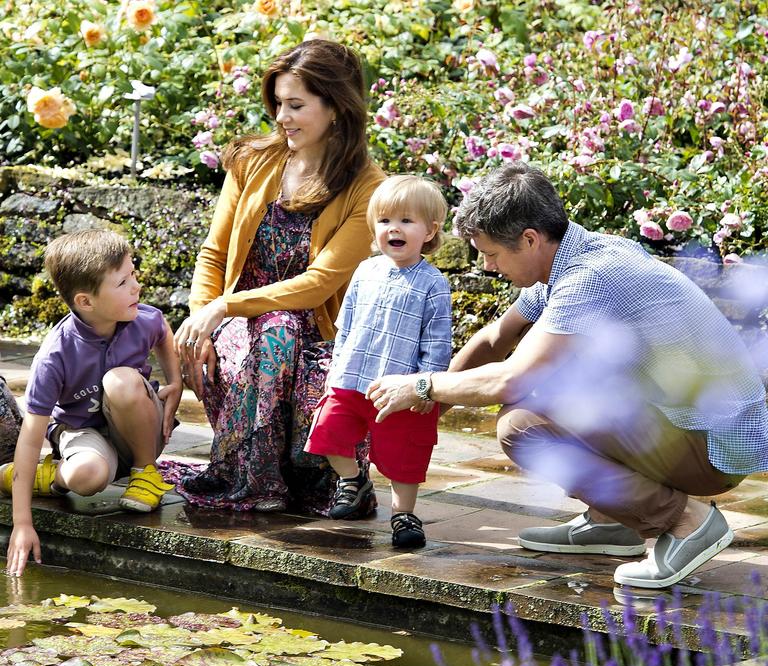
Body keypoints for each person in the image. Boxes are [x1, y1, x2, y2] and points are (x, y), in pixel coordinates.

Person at [366, 162, 768, 589]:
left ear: (529, 239)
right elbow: (495, 337)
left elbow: (508, 380)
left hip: (711, 446)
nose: (486, 266)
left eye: (492, 254)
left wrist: (421, 385)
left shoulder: (588, 279)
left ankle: (686, 521)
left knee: (523, 425)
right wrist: (432, 408)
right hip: (702, 427)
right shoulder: (580, 254)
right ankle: (612, 521)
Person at [171, 39, 385, 516]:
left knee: (282, 330)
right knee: (272, 334)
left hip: (315, 332)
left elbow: (321, 282)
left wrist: (226, 306)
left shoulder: (369, 187)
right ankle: (254, 481)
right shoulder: (251, 160)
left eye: (296, 105)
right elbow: (214, 254)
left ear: (336, 108)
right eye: (278, 105)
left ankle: (281, 480)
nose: (282, 118)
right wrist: (204, 317)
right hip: (239, 330)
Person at [2, 229, 182, 577]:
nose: (136, 287)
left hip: (139, 430)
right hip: (84, 433)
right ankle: (51, 476)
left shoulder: (140, 318)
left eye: (133, 274)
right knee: (87, 476)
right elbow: (31, 436)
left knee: (121, 380)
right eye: (123, 282)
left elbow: (163, 330)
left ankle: (146, 473)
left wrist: (175, 381)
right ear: (86, 301)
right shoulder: (55, 355)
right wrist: (22, 522)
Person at [305, 175, 452, 547]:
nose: (394, 229)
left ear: (430, 230)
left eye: (406, 220)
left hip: (400, 388)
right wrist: (335, 368)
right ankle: (352, 480)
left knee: (405, 454)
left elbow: (437, 341)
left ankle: (404, 514)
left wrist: (426, 388)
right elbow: (346, 324)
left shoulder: (432, 283)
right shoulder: (365, 270)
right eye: (385, 221)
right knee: (326, 431)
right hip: (352, 377)